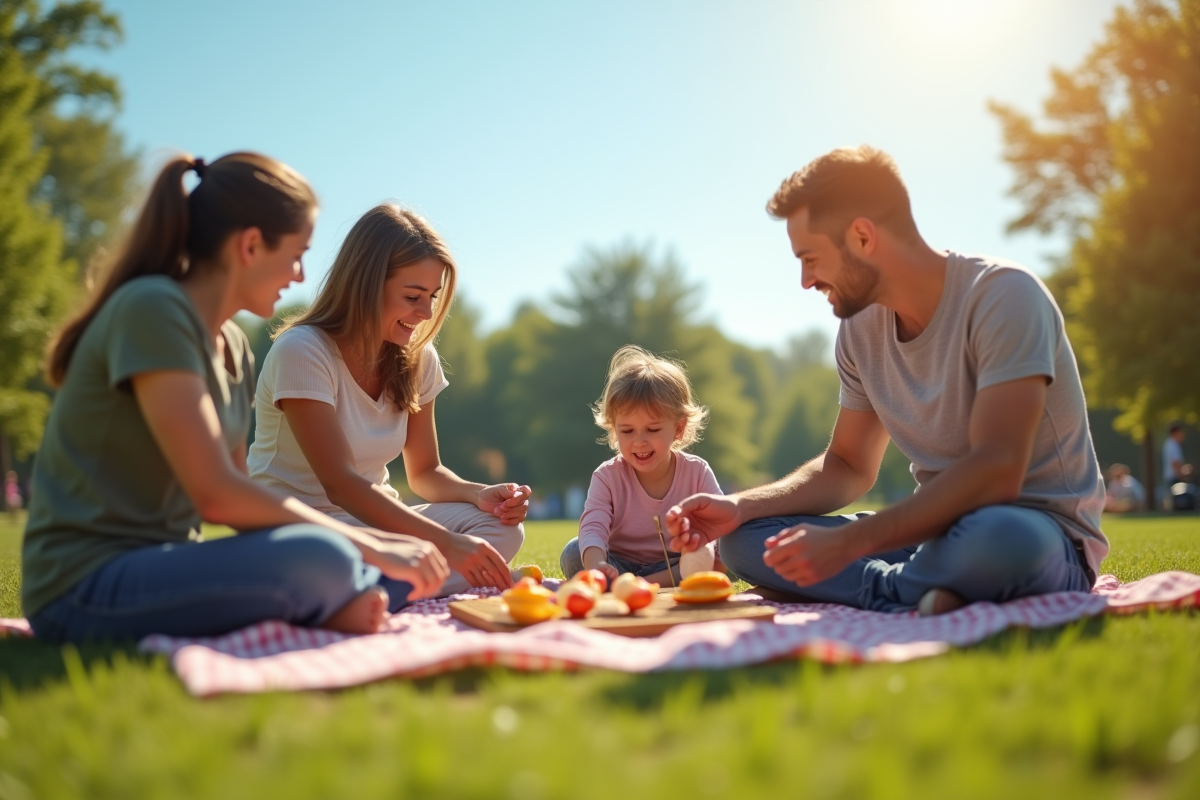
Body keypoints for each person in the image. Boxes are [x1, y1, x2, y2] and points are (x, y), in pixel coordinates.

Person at [22, 154, 450, 644]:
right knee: (328, 556)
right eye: (295, 255)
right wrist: (374, 547)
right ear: (249, 246)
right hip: (80, 584)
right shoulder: (154, 309)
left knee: (331, 555)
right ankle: (331, 595)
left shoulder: (235, 346)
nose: (298, 275)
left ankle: (332, 598)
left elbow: (239, 499)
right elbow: (214, 491)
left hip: (164, 567)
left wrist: (370, 550)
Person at [665, 145, 1107, 615]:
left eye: (810, 258)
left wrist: (849, 544)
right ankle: (925, 588)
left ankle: (885, 588)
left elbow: (997, 471)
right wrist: (741, 507)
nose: (804, 280)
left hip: (1035, 534)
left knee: (997, 538)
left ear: (861, 236)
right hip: (930, 536)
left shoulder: (1005, 297)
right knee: (748, 542)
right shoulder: (859, 330)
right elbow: (849, 464)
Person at [248, 204, 530, 597]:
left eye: (432, 296)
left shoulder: (418, 359)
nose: (427, 312)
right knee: (321, 559)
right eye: (413, 295)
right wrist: (447, 545)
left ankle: (380, 590)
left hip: (377, 526)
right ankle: (404, 585)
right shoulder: (302, 351)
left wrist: (476, 493)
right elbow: (340, 485)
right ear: (364, 283)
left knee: (501, 529)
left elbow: (426, 472)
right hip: (303, 530)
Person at [560, 345, 720, 586]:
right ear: (614, 429)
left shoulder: (697, 472)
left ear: (678, 428)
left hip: (675, 564)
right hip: (617, 563)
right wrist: (597, 567)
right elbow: (594, 522)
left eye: (653, 429)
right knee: (574, 552)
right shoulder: (607, 476)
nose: (639, 441)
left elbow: (716, 525)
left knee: (716, 553)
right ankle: (623, 583)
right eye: (627, 430)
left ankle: (644, 583)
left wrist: (698, 552)